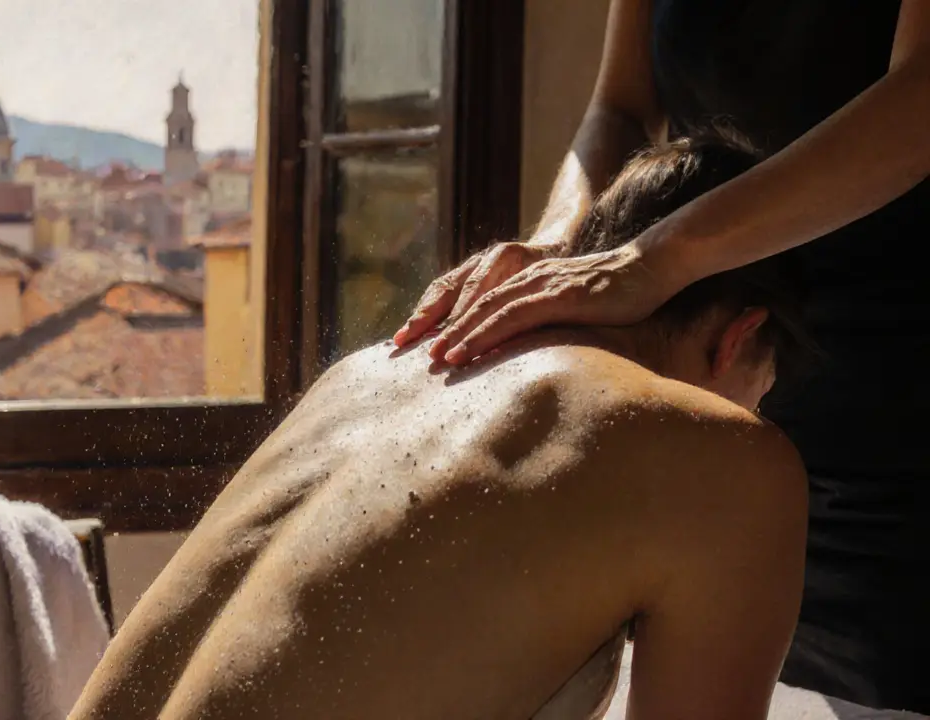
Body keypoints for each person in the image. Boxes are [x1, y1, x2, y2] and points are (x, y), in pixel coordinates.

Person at [71, 135, 810, 720]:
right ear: (740, 338)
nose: (747, 413)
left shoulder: (370, 372)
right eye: (759, 392)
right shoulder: (722, 459)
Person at [395, 1, 930, 710]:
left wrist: (655, 256)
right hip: (722, 379)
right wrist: (562, 245)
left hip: (900, 407)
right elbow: (619, 105)